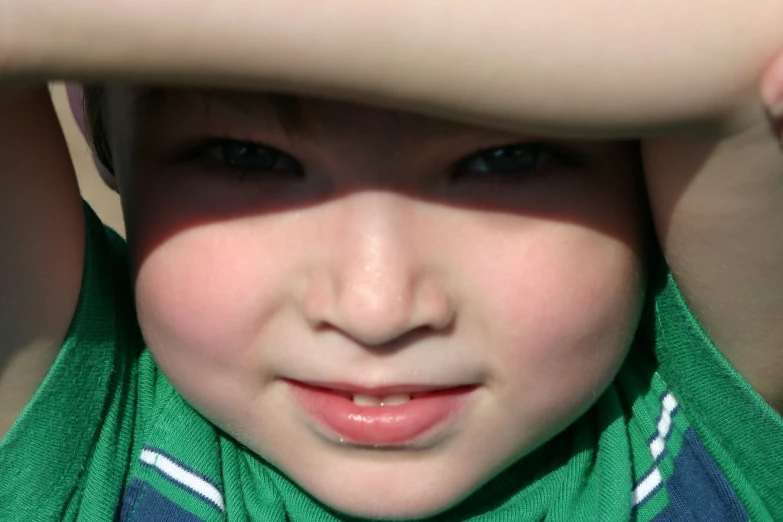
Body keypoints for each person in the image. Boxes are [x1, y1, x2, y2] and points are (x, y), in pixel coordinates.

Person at [1, 1, 782, 520]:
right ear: (103, 132)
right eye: (249, 156)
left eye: (506, 159)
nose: (376, 308)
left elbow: (754, 62)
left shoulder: (704, 429)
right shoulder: (85, 446)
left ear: (644, 160)